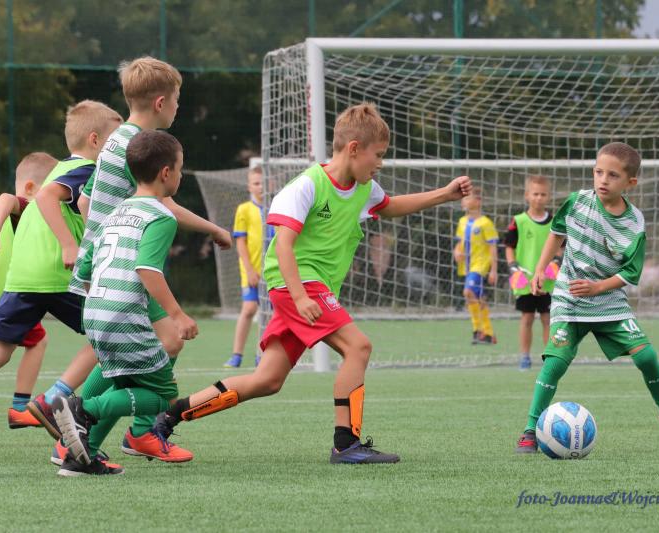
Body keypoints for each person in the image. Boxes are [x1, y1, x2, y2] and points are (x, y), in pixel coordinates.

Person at [151, 102, 472, 464]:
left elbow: (391, 206)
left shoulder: (364, 188)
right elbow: (283, 245)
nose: (380, 163)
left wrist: (444, 194)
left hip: (307, 290)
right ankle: (346, 444)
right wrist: (301, 296)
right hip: (298, 285)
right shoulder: (307, 185)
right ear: (354, 148)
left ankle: (167, 418)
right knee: (358, 347)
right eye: (378, 155)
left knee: (267, 380)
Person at [27, 56, 232, 464]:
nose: (178, 107)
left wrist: (102, 240)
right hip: (122, 270)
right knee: (168, 340)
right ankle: (133, 431)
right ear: (161, 103)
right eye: (177, 100)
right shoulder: (139, 146)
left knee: (122, 355)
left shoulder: (115, 141)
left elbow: (85, 202)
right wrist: (214, 229)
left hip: (102, 265)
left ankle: (80, 439)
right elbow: (164, 205)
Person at [514, 142, 659, 454]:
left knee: (646, 356)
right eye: (599, 172)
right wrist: (540, 268)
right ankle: (530, 429)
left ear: (630, 182)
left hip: (608, 300)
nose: (603, 179)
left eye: (613, 175)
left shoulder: (635, 222)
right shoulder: (577, 201)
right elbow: (557, 232)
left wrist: (598, 287)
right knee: (556, 361)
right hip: (570, 297)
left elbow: (631, 272)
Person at [53, 130, 196, 476]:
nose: (180, 176)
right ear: (166, 173)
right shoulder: (161, 217)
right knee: (162, 395)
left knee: (122, 381)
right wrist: (178, 315)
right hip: (124, 316)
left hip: (95, 311)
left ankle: (80, 457)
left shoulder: (115, 212)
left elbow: (85, 265)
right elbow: (147, 268)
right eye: (180, 169)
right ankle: (83, 410)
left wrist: (103, 297)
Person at [0, 101, 121, 411]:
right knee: (112, 332)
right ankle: (53, 401)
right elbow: (47, 199)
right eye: (114, 142)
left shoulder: (57, 171)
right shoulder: (87, 171)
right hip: (58, 276)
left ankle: (43, 404)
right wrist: (68, 244)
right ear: (94, 140)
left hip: (21, 279)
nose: (120, 150)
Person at [0, 153, 56, 428]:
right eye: (52, 189)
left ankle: (20, 408)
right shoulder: (26, 210)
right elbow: (7, 198)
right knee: (37, 341)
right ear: (30, 188)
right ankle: (19, 407)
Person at [504, 175, 561, 370]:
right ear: (527, 195)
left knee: (548, 319)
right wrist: (513, 268)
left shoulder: (555, 222)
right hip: (525, 280)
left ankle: (549, 357)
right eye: (535, 194)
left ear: (549, 197)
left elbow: (560, 248)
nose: (539, 198)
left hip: (548, 281)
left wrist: (555, 264)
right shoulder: (518, 221)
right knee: (527, 318)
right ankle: (524, 357)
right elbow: (509, 247)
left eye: (543, 194)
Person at [225, 166, 272, 368]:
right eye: (256, 183)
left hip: (272, 271)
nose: (260, 186)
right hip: (251, 270)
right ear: (249, 187)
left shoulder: (276, 208)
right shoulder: (244, 209)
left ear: (272, 183)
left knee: (270, 314)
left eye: (264, 182)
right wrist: (250, 270)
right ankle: (236, 355)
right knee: (250, 308)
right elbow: (241, 242)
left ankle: (262, 354)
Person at [454, 187, 498, 344]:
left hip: (480, 266)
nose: (463, 201)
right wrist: (456, 251)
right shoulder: (462, 221)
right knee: (477, 297)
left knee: (468, 292)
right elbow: (460, 242)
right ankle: (487, 333)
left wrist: (494, 270)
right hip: (467, 266)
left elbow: (493, 247)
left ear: (478, 201)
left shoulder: (486, 223)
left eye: (467, 198)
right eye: (463, 198)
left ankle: (477, 330)